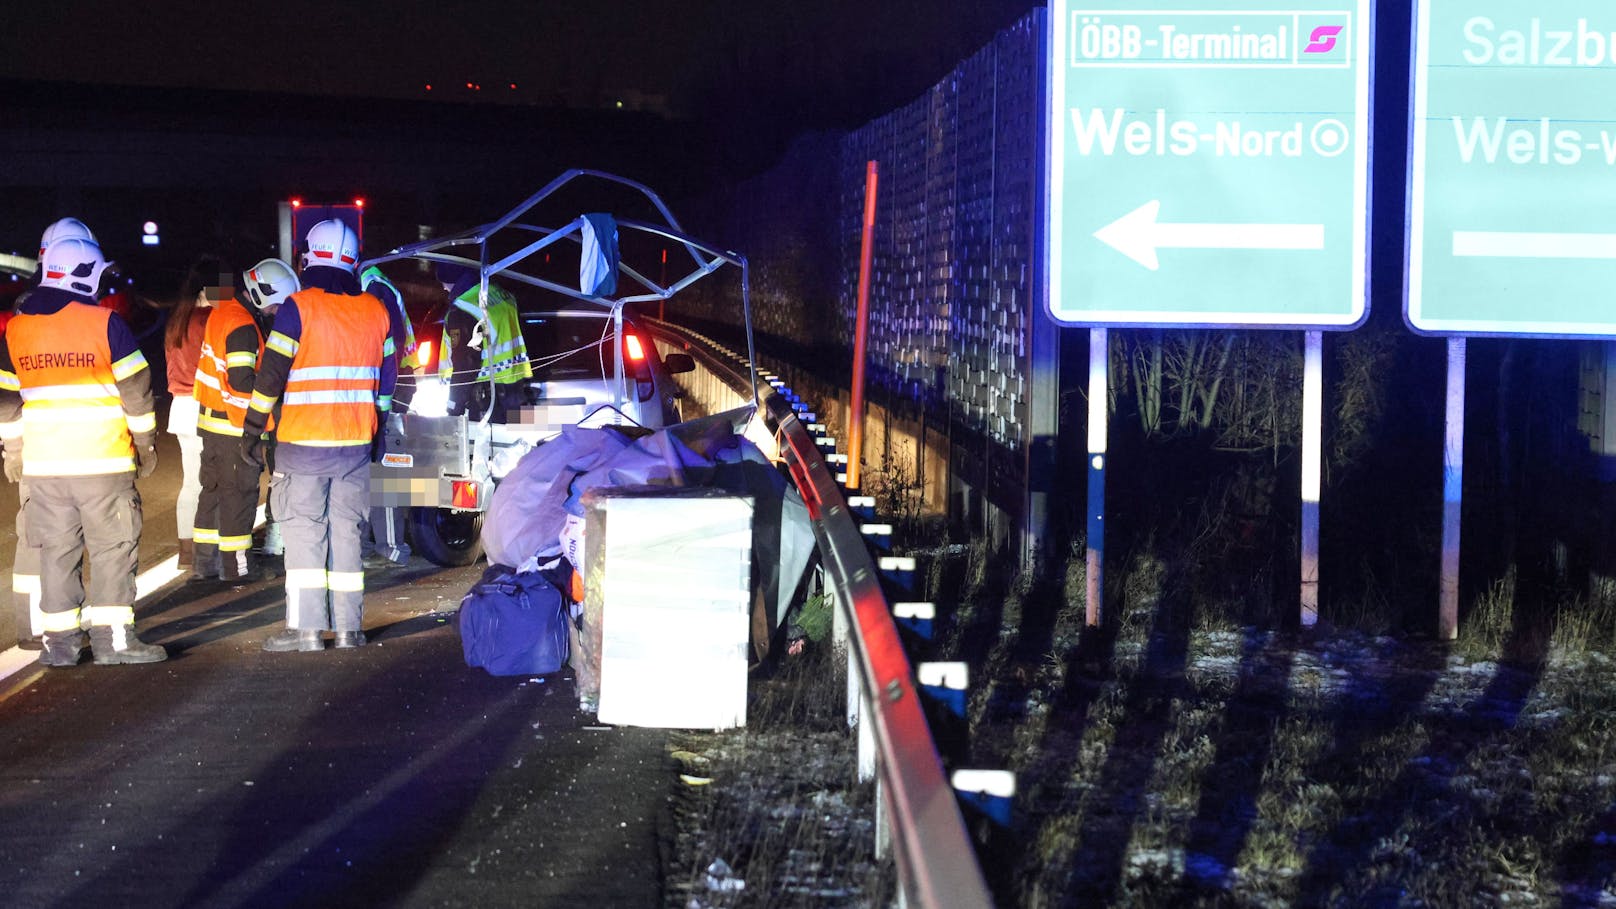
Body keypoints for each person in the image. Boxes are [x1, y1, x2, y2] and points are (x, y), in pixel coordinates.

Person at [0, 236, 164, 666]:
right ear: (85, 275)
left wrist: (13, 451)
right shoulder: (104, 324)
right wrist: (145, 443)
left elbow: (7, 401)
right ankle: (114, 642)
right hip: (102, 462)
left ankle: (61, 646)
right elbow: (137, 391)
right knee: (113, 549)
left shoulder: (17, 329)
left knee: (55, 554)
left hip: (44, 467)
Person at [241, 219, 394, 652]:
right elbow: (387, 382)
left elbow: (271, 376)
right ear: (353, 260)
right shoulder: (376, 311)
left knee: (306, 535)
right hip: (354, 447)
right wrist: (377, 432)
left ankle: (308, 632)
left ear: (309, 257)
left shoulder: (297, 307)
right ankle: (349, 631)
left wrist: (252, 431)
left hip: (303, 447)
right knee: (347, 536)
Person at [11, 217, 98, 648]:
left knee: (42, 531)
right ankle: (40, 626)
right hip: (46, 440)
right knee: (42, 533)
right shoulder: (41, 310)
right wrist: (14, 445)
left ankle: (41, 623)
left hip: (40, 439)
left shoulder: (28, 305)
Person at [192, 258, 298, 581]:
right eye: (277, 306)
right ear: (263, 294)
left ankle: (205, 566)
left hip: (213, 425)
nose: (277, 313)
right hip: (235, 429)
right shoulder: (242, 326)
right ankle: (236, 571)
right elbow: (241, 382)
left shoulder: (224, 313)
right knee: (239, 497)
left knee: (211, 495)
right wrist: (271, 398)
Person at [169, 256, 227, 573]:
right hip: (208, 406)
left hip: (181, 407)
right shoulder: (212, 320)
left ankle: (186, 552)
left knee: (190, 483)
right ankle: (211, 553)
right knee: (215, 484)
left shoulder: (179, 319)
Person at [359, 265, 415, 566]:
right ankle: (379, 545)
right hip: (388, 392)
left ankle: (391, 547)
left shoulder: (374, 291)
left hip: (388, 396)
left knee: (385, 474)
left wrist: (381, 406)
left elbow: (387, 352)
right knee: (375, 474)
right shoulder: (378, 286)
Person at [437, 262, 531, 421]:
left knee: (485, 445)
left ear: (453, 280)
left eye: (443, 283)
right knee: (516, 443)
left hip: (486, 400)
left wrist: (454, 406)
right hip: (514, 389)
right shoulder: (500, 293)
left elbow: (466, 363)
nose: (444, 288)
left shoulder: (462, 309)